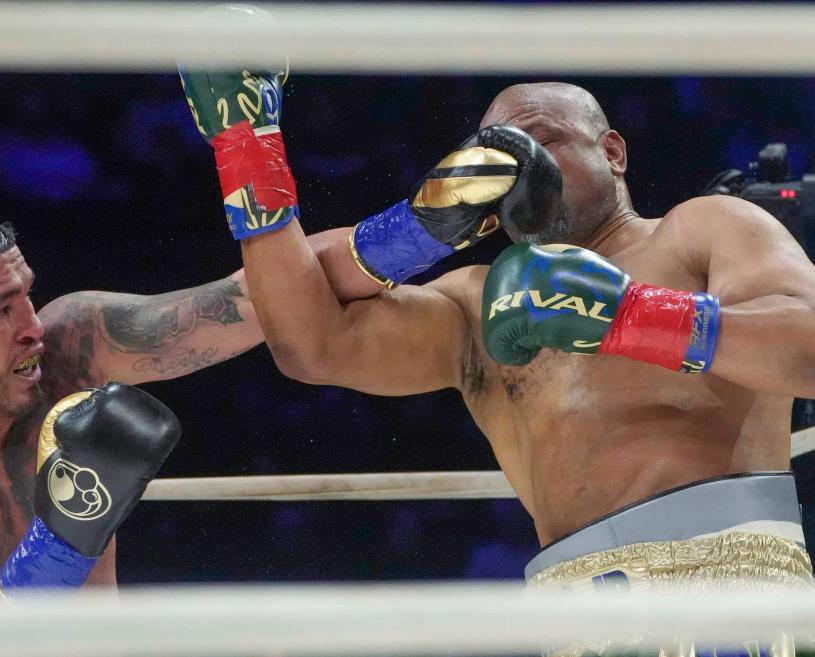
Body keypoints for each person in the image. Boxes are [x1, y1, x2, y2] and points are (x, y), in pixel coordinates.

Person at [184, 62, 815, 654]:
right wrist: (246, 143)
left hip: (735, 587)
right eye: (499, 155)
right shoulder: (474, 304)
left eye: (542, 142)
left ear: (613, 152)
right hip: (574, 617)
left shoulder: (704, 229)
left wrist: (627, 316)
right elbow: (308, 343)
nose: (523, 169)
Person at [0, 207, 378, 593]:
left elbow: (249, 299)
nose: (32, 326)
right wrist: (63, 542)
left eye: (26, 296)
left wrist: (422, 226)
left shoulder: (68, 350)